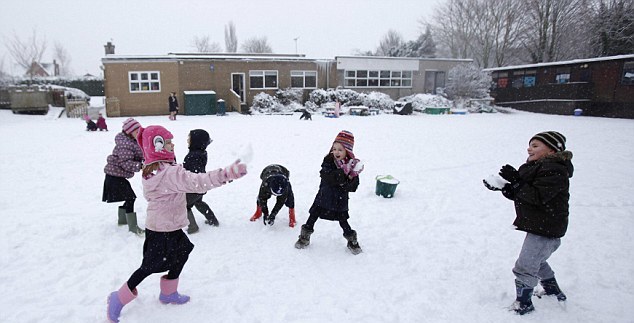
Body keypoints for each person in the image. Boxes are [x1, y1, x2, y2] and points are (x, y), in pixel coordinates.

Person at [106, 125, 247, 322]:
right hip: (160, 229)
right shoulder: (168, 173)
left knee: (183, 251)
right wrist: (226, 174)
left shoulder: (154, 168)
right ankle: (118, 298)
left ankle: (168, 293)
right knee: (148, 267)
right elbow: (198, 181)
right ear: (158, 145)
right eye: (168, 142)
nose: (173, 145)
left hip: (168, 226)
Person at [483, 131, 573, 315]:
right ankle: (553, 290)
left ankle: (523, 303)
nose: (529, 149)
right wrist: (504, 187)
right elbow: (523, 194)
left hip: (547, 227)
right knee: (537, 261)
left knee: (525, 265)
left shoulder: (555, 170)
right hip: (541, 225)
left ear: (552, 150)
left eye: (535, 146)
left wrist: (516, 182)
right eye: (530, 145)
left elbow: (537, 197)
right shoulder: (536, 167)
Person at [294, 130, 364, 254]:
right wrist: (342, 174)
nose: (336, 152)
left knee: (343, 221)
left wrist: (349, 179)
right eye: (334, 148)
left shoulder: (352, 166)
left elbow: (353, 186)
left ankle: (352, 240)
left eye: (340, 150)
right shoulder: (328, 161)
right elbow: (326, 175)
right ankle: (304, 237)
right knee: (313, 216)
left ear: (347, 152)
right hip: (324, 197)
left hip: (339, 200)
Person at [102, 118, 144, 234]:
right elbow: (125, 163)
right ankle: (132, 226)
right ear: (129, 132)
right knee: (130, 197)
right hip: (114, 176)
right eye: (136, 131)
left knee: (129, 197)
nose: (139, 134)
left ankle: (122, 220)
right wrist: (140, 166)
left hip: (117, 175)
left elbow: (138, 154)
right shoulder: (125, 144)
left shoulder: (132, 141)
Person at [183, 129, 219, 233]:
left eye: (189, 138)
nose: (187, 140)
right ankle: (213, 220)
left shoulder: (192, 156)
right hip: (201, 186)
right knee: (198, 202)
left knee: (184, 206)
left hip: (193, 187)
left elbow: (192, 173)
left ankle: (193, 227)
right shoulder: (201, 152)